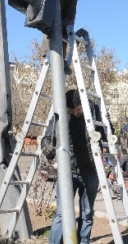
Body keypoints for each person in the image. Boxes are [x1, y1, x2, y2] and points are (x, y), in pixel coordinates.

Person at [41, 89, 105, 244]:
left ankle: (83, 242)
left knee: (87, 213)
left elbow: (105, 130)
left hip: (90, 170)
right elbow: (47, 137)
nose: (75, 113)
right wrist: (47, 148)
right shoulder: (60, 114)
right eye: (72, 111)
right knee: (62, 214)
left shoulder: (93, 112)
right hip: (67, 170)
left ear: (84, 106)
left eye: (78, 110)